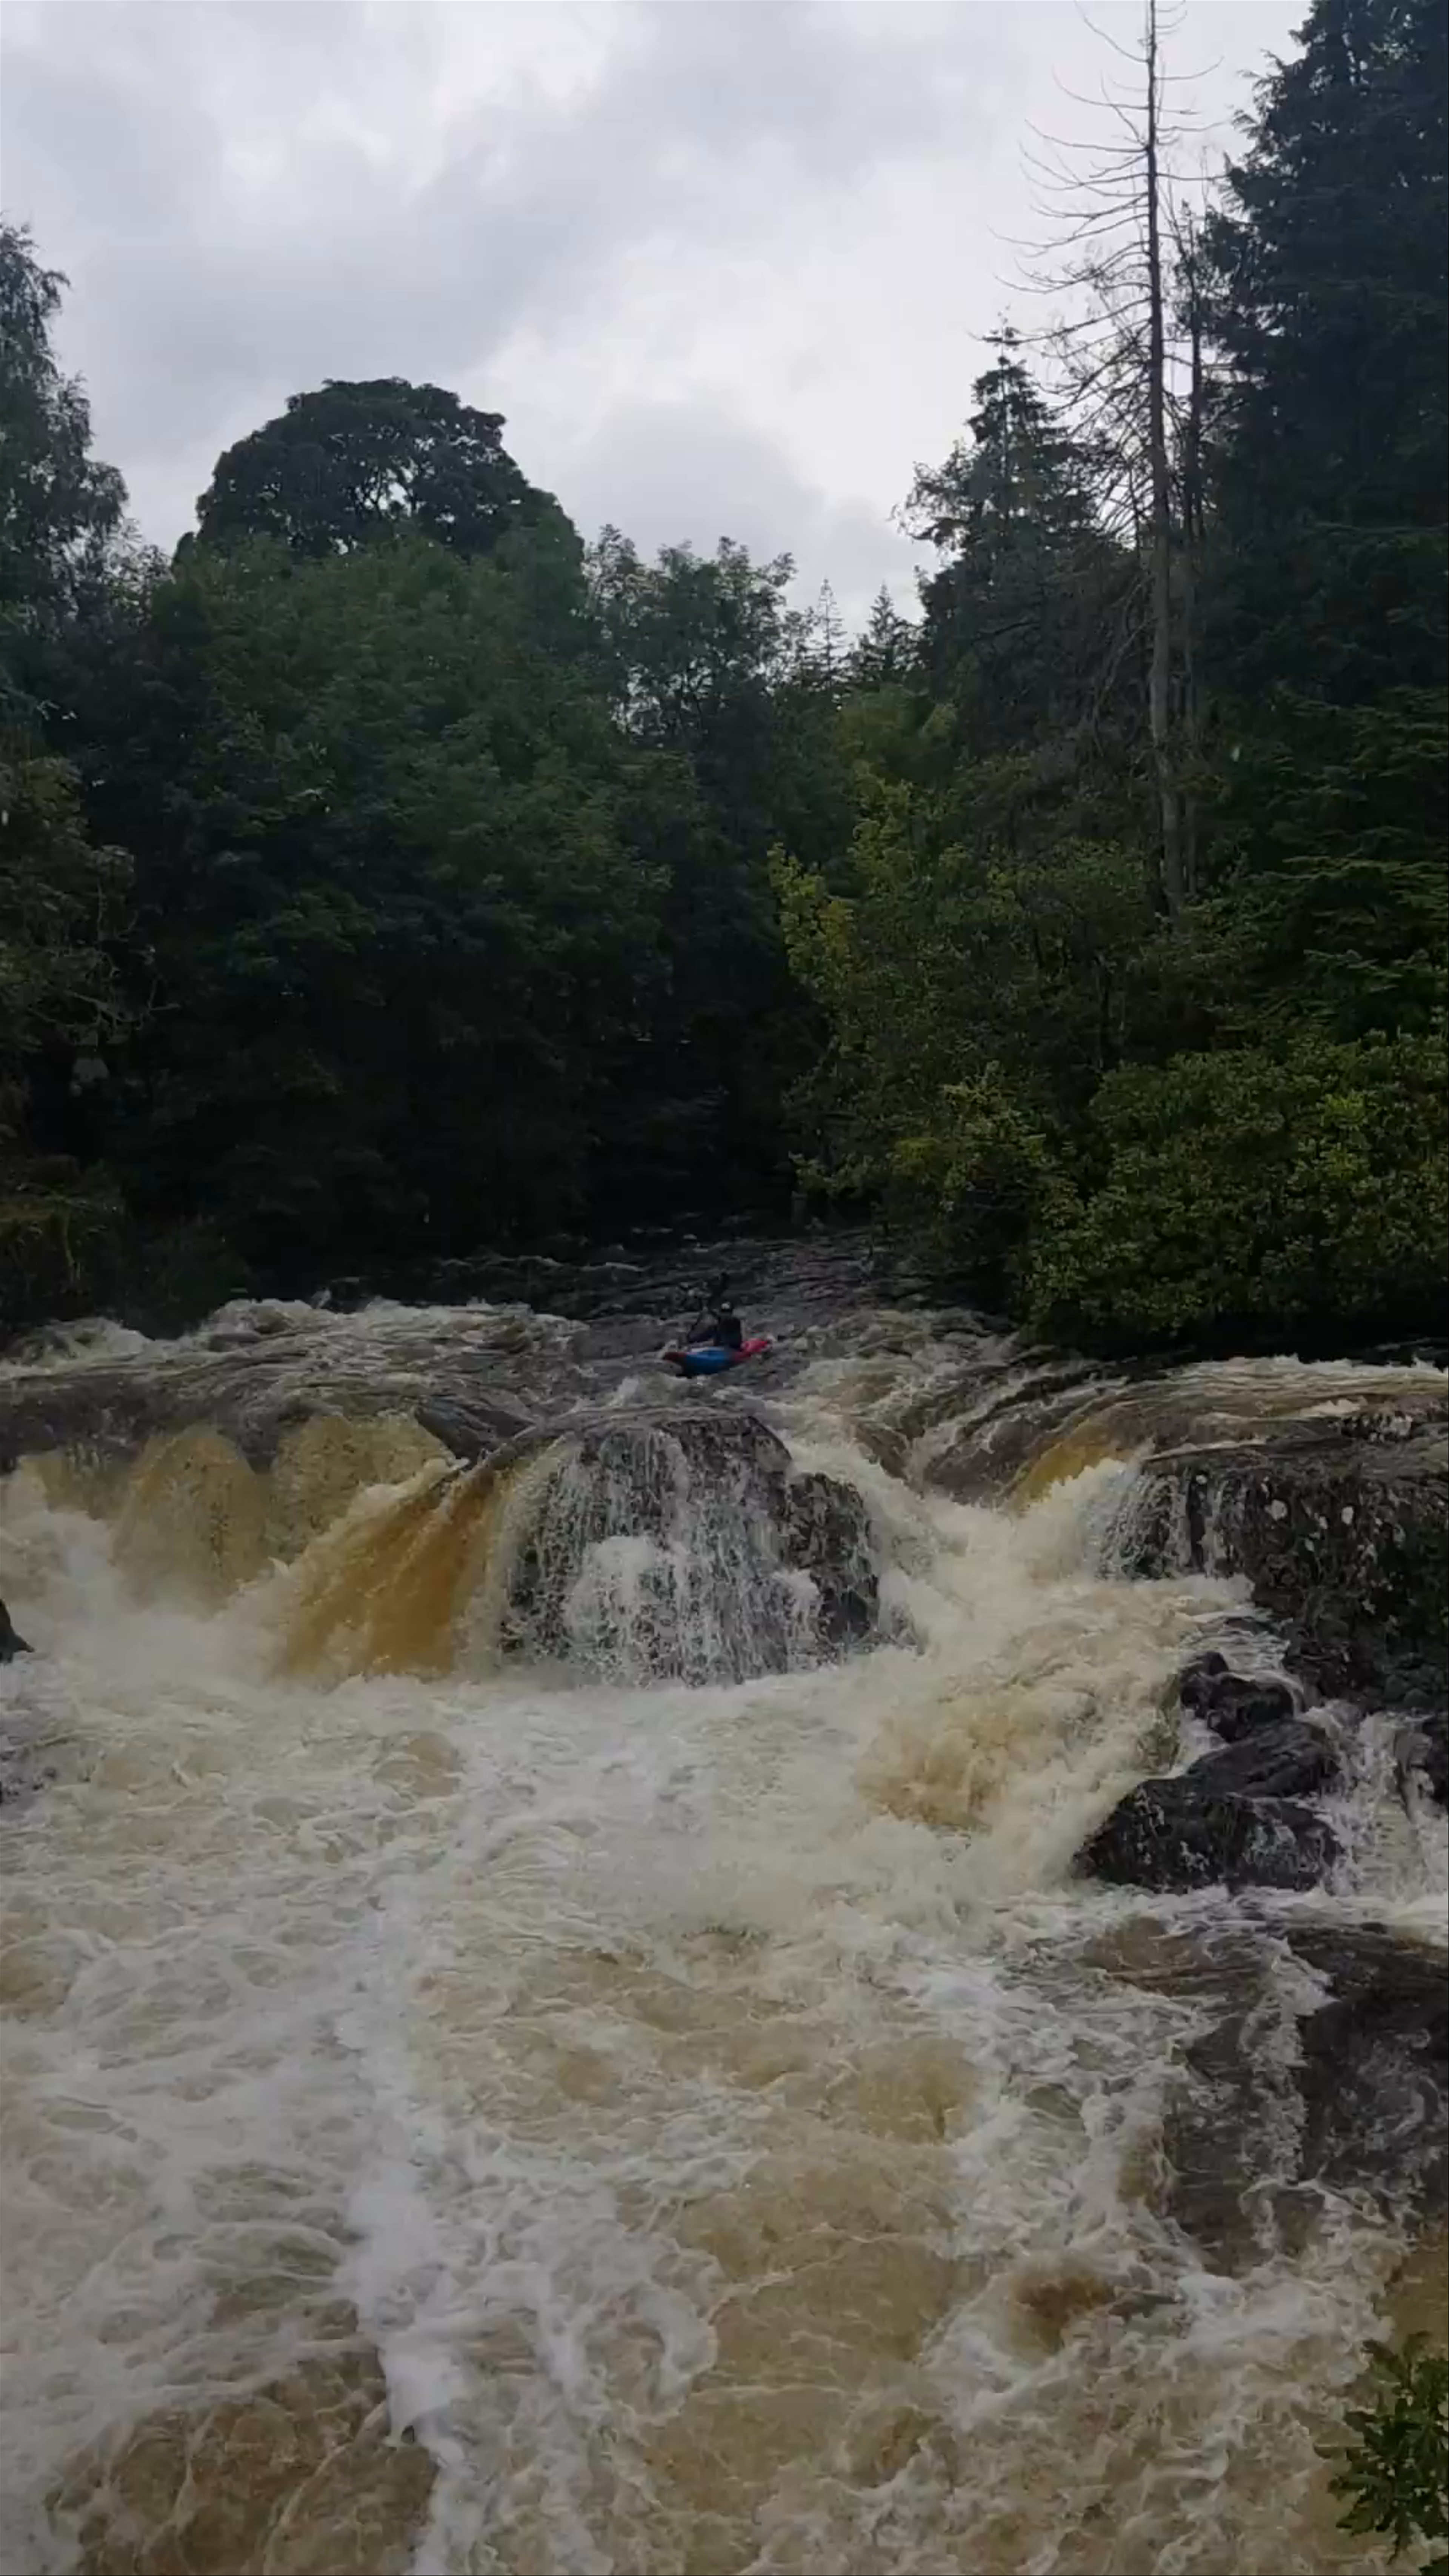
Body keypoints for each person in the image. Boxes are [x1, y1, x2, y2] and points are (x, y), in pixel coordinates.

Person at [692, 1274, 744, 1351]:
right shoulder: (735, 1320)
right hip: (732, 1347)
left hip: (727, 1348)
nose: (726, 1314)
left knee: (714, 1330)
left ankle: (694, 1343)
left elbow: (719, 1318)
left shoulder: (724, 1321)